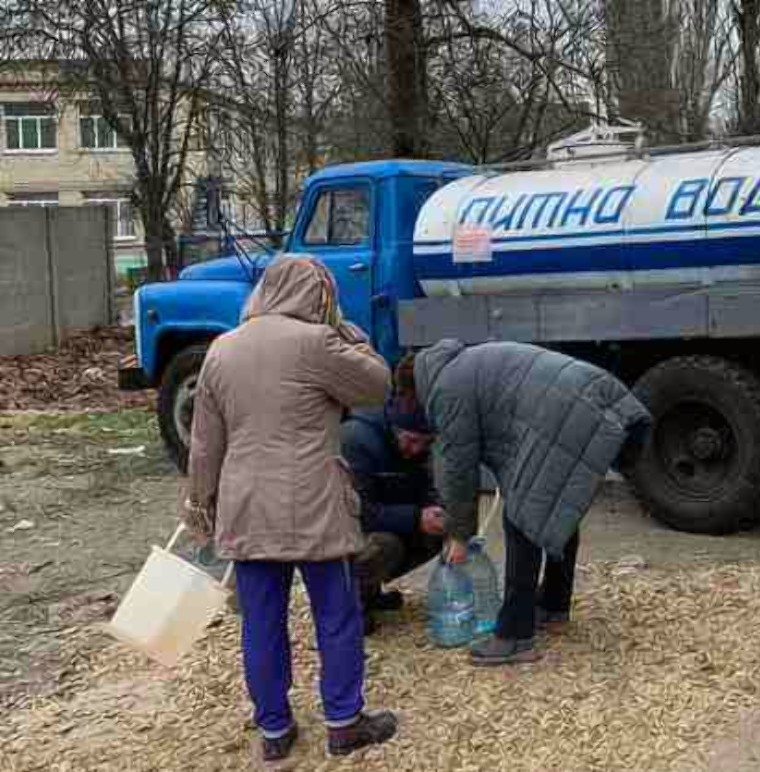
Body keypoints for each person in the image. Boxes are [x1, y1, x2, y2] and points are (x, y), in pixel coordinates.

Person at [181, 257, 399, 766]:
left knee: (261, 621)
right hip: (314, 506)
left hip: (246, 505)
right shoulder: (316, 343)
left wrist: (200, 502)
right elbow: (377, 385)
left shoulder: (222, 349)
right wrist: (347, 330)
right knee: (336, 616)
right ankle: (344, 723)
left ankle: (274, 730)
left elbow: (205, 443)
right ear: (318, 296)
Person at [400, 340, 651, 666]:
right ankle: (554, 604)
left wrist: (459, 534)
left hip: (564, 411)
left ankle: (515, 636)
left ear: (412, 390)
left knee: (522, 516)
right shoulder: (462, 364)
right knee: (554, 504)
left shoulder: (446, 390)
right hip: (588, 396)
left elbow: (459, 471)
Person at [340, 389, 445, 634]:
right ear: (393, 428)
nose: (417, 450)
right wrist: (416, 517)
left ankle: (370, 591)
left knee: (437, 534)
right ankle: (347, 604)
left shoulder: (415, 447)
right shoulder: (355, 440)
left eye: (425, 443)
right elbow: (359, 512)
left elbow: (426, 487)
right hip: (343, 529)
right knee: (384, 544)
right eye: (410, 441)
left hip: (382, 516)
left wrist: (435, 508)